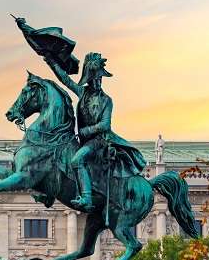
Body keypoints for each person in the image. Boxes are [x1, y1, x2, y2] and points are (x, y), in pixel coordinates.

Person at [43, 52, 145, 211]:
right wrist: (51, 61)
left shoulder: (106, 100)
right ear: (88, 80)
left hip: (101, 140)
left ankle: (86, 197)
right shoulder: (82, 92)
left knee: (77, 160)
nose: (98, 82)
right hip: (85, 140)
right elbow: (65, 80)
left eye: (100, 79)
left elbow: (105, 125)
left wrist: (85, 131)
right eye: (95, 79)